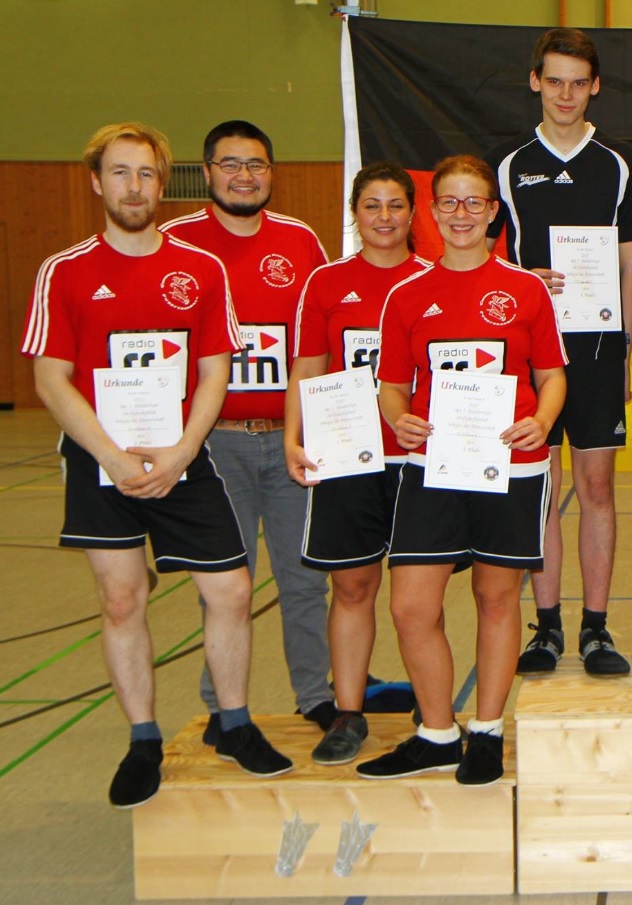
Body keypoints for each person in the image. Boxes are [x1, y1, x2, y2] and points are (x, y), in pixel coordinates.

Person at [21, 123, 291, 809]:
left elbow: (214, 370)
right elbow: (52, 379)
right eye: (120, 173)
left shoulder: (200, 268)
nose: (134, 187)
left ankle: (235, 722)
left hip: (182, 456)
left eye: (146, 174)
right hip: (101, 461)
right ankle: (143, 739)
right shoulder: (65, 270)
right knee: (121, 599)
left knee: (231, 590)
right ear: (96, 182)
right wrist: (111, 456)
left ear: (163, 182)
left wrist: (182, 451)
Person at [358, 155, 566, 785]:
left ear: (493, 212)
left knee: (495, 599)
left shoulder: (525, 289)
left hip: (511, 467)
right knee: (410, 606)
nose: (461, 214)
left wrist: (542, 421)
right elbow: (392, 384)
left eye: (474, 202)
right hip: (433, 467)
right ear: (432, 212)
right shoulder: (406, 295)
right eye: (449, 201)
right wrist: (398, 418)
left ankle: (487, 731)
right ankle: (436, 732)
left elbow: (551, 376)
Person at [485, 28, 632, 677]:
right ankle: (548, 624)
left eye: (577, 83)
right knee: (541, 487)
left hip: (598, 350)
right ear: (535, 82)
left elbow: (631, 264)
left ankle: (596, 627)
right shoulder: (505, 164)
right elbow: (481, 263)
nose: (564, 94)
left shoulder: (620, 163)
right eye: (553, 81)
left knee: (596, 485)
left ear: (594, 87)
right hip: (527, 353)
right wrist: (521, 281)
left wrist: (626, 355)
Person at [161, 121, 335, 740]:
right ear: (207, 172)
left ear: (271, 173)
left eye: (256, 164)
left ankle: (316, 696)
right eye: (230, 164)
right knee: (222, 585)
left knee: (305, 580)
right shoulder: (175, 243)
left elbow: (321, 336)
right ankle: (222, 708)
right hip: (212, 445)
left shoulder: (299, 240)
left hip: (289, 440)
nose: (244, 176)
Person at [284, 161, 430, 765]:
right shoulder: (325, 283)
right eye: (372, 205)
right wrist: (293, 436)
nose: (384, 217)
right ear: (355, 213)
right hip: (347, 457)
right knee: (352, 586)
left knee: (418, 598)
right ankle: (348, 712)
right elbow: (307, 366)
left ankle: (433, 708)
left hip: (418, 461)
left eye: (395, 205)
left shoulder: (432, 278)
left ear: (412, 213)